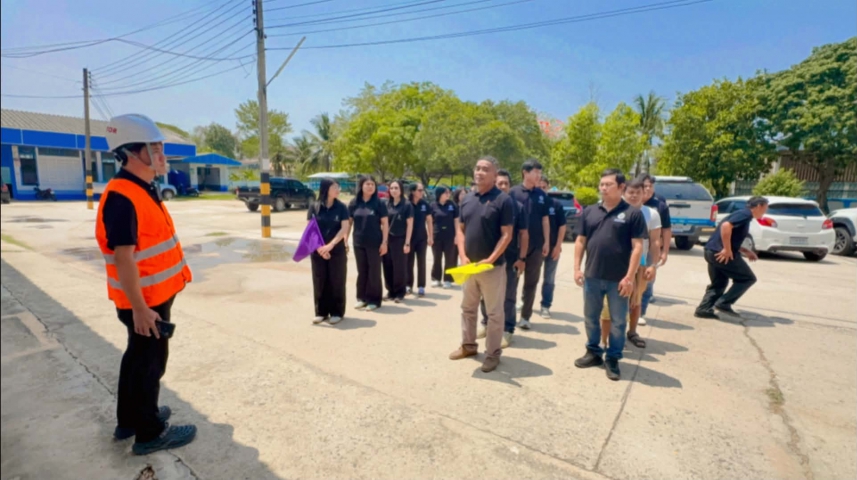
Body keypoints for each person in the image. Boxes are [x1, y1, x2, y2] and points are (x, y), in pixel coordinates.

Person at [96, 114, 196, 455]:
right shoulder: (123, 197)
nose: (161, 154)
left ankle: (129, 420)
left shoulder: (142, 187)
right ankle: (149, 432)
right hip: (144, 302)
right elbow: (123, 257)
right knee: (150, 364)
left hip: (153, 296)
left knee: (137, 359)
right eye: (153, 148)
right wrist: (140, 309)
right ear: (130, 153)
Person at [573, 169, 647, 381]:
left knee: (618, 322)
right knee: (590, 317)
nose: (603, 188)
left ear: (621, 187)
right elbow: (580, 241)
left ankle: (613, 358)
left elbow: (637, 247)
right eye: (602, 184)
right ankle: (593, 352)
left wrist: (629, 277)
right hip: (592, 276)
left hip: (619, 280)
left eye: (608, 184)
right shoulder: (590, 211)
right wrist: (577, 268)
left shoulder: (632, 214)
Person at [450, 156, 515, 373]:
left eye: (485, 169)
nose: (479, 172)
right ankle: (468, 346)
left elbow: (507, 235)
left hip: (492, 268)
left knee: (494, 313)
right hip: (469, 267)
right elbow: (460, 230)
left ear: (495, 175)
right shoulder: (467, 199)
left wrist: (491, 259)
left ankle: (492, 354)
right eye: (477, 168)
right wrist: (462, 255)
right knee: (468, 308)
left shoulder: (503, 200)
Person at [600, 178, 661, 349]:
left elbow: (655, 241)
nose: (634, 196)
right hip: (616, 264)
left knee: (635, 301)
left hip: (640, 264)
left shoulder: (652, 214)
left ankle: (632, 332)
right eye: (631, 192)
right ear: (624, 192)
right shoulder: (615, 210)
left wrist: (653, 265)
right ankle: (607, 339)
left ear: (644, 193)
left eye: (638, 192)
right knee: (610, 303)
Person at [477, 169, 528, 348]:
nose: (503, 186)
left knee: (508, 296)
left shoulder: (518, 207)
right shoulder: (487, 203)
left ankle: (508, 329)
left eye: (506, 183)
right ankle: (486, 323)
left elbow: (524, 234)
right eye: (500, 183)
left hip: (510, 258)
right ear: (494, 184)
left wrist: (522, 258)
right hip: (487, 258)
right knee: (485, 293)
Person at [695, 196, 767, 319]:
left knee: (719, 283)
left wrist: (745, 251)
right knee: (747, 278)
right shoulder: (745, 214)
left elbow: (731, 237)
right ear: (758, 206)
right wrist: (727, 250)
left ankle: (704, 309)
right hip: (721, 254)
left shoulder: (741, 214)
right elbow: (726, 226)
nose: (765, 212)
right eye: (765, 209)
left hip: (711, 251)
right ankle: (723, 303)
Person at [509, 159, 550, 330]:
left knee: (531, 283)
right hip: (516, 246)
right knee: (512, 282)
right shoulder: (513, 192)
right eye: (535, 172)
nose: (539, 176)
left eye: (540, 173)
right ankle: (509, 317)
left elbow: (545, 220)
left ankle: (525, 317)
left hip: (536, 246)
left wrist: (547, 241)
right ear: (525, 173)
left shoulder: (542, 195)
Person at [308, 178, 350, 325]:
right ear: (326, 189)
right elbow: (310, 229)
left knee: (337, 280)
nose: (338, 190)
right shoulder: (314, 206)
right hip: (318, 250)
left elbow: (344, 228)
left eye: (338, 187)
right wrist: (320, 248)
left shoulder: (342, 207)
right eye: (335, 187)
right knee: (319, 280)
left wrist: (330, 245)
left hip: (336, 250)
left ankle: (337, 312)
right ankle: (321, 312)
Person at [349, 175, 389, 311]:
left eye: (372, 184)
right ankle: (362, 298)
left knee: (374, 271)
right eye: (367, 184)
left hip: (375, 243)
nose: (370, 186)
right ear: (361, 186)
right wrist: (345, 240)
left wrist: (384, 242)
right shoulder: (354, 202)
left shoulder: (379, 203)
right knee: (362, 271)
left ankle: (374, 300)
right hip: (358, 242)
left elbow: (385, 224)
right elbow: (349, 223)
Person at [639, 174, 672, 324]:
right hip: (631, 248)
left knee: (648, 280)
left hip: (651, 248)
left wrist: (664, 252)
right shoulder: (629, 202)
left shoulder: (660, 206)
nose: (647, 189)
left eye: (650, 186)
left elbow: (666, 230)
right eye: (644, 186)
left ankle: (640, 313)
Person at [537, 177, 567, 319]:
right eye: (539, 187)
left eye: (544, 187)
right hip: (536, 248)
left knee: (549, 279)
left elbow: (562, 226)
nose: (542, 189)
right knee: (531, 277)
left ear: (548, 187)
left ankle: (545, 305)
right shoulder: (533, 202)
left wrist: (558, 246)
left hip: (553, 248)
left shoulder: (555, 204)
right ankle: (524, 301)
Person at [383, 180, 414, 303]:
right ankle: (390, 291)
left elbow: (410, 224)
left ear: (401, 189)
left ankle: (400, 292)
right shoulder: (387, 204)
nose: (394, 190)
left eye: (396, 188)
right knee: (387, 266)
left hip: (400, 239)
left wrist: (407, 242)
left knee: (399, 267)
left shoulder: (407, 205)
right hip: (387, 239)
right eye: (391, 188)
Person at [407, 183, 433, 297]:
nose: (422, 192)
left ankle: (421, 286)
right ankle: (408, 285)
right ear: (413, 191)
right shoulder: (407, 204)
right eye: (419, 190)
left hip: (422, 238)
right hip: (409, 238)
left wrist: (430, 236)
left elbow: (429, 221)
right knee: (408, 262)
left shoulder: (425, 204)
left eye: (422, 190)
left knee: (421, 262)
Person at [430, 186, 460, 288]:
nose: (448, 194)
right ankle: (436, 278)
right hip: (437, 235)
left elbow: (456, 221)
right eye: (446, 192)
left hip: (450, 236)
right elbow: (429, 222)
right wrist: (430, 236)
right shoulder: (433, 205)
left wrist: (457, 235)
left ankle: (448, 279)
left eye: (449, 192)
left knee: (449, 258)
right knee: (437, 258)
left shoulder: (452, 205)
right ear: (439, 194)